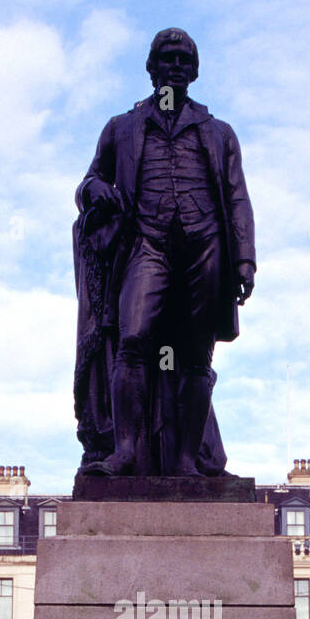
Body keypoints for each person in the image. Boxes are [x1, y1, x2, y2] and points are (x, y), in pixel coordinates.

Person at [73, 28, 256, 476]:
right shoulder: (122, 128)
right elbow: (88, 182)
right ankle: (127, 451)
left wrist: (245, 258)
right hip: (146, 242)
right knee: (133, 340)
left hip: (204, 244)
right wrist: (97, 191)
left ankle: (184, 462)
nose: (175, 66)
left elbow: (237, 197)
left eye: (183, 59)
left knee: (196, 356)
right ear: (152, 67)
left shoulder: (220, 133)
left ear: (193, 71)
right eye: (166, 58)